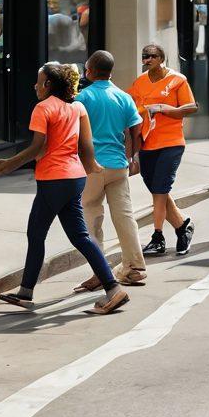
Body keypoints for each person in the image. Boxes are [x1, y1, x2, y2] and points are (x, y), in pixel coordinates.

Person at [0, 63, 129, 314]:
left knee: (36, 234)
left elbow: (37, 148)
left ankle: (26, 292)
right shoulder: (77, 107)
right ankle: (112, 289)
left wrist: (8, 164)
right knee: (80, 237)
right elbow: (86, 147)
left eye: (38, 80)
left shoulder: (43, 108)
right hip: (74, 178)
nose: (35, 85)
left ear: (48, 85)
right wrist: (93, 167)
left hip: (53, 179)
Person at [75, 51, 147, 290]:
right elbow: (136, 131)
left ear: (91, 71)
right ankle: (134, 267)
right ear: (110, 72)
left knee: (91, 217)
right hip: (119, 165)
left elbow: (75, 134)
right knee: (125, 216)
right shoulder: (123, 97)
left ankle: (100, 271)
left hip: (92, 167)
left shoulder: (83, 98)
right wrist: (133, 157)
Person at [129, 43, 198, 257]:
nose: (147, 60)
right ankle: (182, 226)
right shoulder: (139, 83)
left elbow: (191, 107)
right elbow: (131, 110)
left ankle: (157, 236)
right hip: (147, 143)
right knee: (158, 190)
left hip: (171, 142)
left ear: (161, 58)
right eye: (144, 57)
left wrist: (165, 109)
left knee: (160, 189)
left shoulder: (178, 80)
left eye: (151, 56)